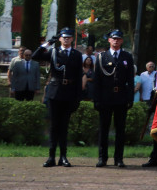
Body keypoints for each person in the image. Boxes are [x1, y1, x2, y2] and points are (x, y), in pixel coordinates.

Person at [32, 28, 84, 167]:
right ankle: (51, 157)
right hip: (55, 92)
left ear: (72, 39)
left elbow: (79, 76)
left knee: (64, 127)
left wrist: (78, 97)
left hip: (69, 93)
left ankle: (63, 157)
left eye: (69, 37)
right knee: (54, 126)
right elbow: (35, 56)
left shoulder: (77, 54)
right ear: (60, 39)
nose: (66, 39)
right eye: (63, 37)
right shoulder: (53, 52)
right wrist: (48, 43)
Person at [90, 29, 136, 168]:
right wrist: (96, 99)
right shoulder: (101, 57)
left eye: (118, 38)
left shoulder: (127, 57)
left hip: (121, 97)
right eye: (113, 38)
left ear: (121, 41)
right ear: (109, 40)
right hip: (105, 98)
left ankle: (119, 158)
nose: (116, 40)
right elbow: (96, 79)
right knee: (103, 129)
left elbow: (130, 80)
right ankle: (102, 158)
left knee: (120, 130)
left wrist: (130, 98)